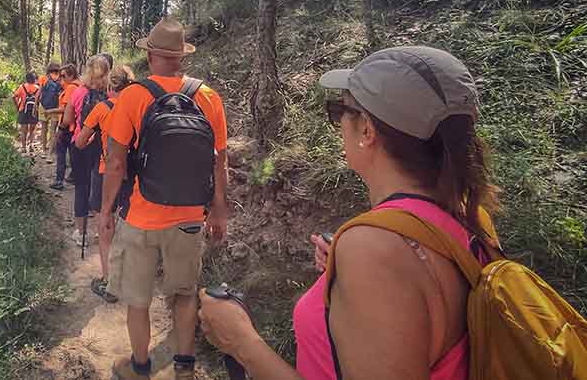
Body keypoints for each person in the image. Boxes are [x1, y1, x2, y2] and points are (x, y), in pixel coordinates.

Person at [199, 46, 500, 380]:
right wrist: (351, 271)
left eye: (339, 110)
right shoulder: (469, 218)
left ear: (367, 130)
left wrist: (242, 342)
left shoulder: (376, 250)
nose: (338, 121)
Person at [100, 17, 229, 380]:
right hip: (190, 217)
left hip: (140, 217)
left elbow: (115, 162)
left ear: (152, 54)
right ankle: (184, 369)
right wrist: (219, 209)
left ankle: (140, 366)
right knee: (184, 295)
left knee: (137, 298)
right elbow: (220, 160)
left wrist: (106, 211)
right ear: (181, 57)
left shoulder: (133, 96)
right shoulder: (208, 97)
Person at [76, 63, 135, 304]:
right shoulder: (137, 108)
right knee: (125, 225)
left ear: (111, 85)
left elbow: (80, 141)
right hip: (131, 175)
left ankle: (109, 279)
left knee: (105, 226)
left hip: (104, 172)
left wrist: (93, 139)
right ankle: (127, 276)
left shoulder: (102, 108)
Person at [66, 55, 110, 244]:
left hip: (80, 145)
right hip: (103, 147)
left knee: (82, 188)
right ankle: (103, 230)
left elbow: (67, 120)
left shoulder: (77, 92)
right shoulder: (111, 94)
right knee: (101, 188)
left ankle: (81, 233)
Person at [51, 64, 81, 191]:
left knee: (61, 154)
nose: (60, 78)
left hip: (68, 127)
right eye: (59, 75)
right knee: (74, 155)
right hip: (76, 128)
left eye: (63, 75)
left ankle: (59, 180)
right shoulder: (80, 86)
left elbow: (66, 110)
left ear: (71, 75)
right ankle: (75, 176)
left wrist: (50, 112)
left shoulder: (71, 88)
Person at [38, 62, 64, 160]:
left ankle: (43, 150)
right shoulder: (60, 79)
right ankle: (50, 154)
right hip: (55, 108)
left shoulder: (43, 78)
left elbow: (39, 92)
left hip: (43, 106)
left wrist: (36, 105)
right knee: (53, 131)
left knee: (44, 129)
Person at [12, 72, 40, 154]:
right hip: (34, 111)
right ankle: (31, 145)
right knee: (32, 130)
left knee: (24, 130)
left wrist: (17, 106)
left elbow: (13, 96)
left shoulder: (22, 87)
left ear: (26, 79)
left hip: (23, 110)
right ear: (34, 79)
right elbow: (39, 100)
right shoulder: (38, 88)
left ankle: (23, 147)